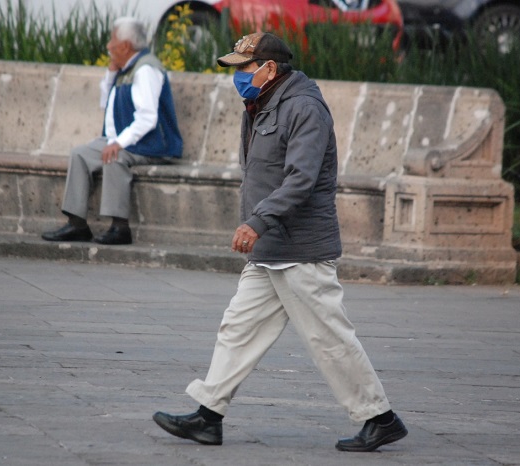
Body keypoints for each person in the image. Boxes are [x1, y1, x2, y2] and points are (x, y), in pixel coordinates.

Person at [152, 32, 407, 452]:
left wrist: (256, 221)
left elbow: (301, 180)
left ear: (270, 68)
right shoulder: (260, 104)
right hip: (271, 249)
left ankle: (380, 417)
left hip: (301, 250)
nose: (237, 75)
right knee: (238, 328)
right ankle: (208, 414)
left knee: (330, 339)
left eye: (243, 68)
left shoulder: (304, 108)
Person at [42, 17, 182, 245]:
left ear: (126, 46)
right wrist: (110, 74)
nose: (108, 46)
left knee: (114, 158)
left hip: (154, 144)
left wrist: (118, 143)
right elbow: (105, 104)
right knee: (80, 154)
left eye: (112, 40)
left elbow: (147, 118)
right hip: (124, 139)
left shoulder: (146, 69)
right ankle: (77, 224)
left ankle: (120, 227)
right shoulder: (125, 68)